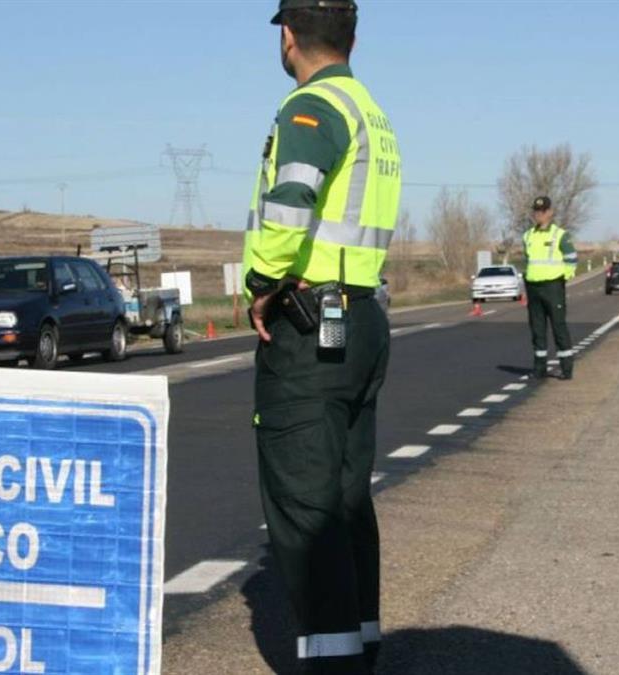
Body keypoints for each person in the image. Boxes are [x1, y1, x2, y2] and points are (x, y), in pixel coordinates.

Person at [242, 1, 400, 671]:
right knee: (342, 497)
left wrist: (261, 281)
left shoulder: (310, 109)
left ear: (287, 36)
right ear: (352, 37)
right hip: (359, 317)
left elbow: (290, 205)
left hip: (309, 323)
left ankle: (334, 664)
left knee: (306, 510)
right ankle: (359, 643)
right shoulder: (371, 111)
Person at [523, 196, 578, 380]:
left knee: (558, 327)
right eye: (536, 211)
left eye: (543, 211)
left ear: (550, 212)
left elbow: (571, 258)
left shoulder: (560, 234)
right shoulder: (528, 235)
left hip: (553, 286)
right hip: (533, 286)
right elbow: (528, 259)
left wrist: (565, 276)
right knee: (537, 329)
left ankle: (566, 368)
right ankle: (539, 369)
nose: (539, 214)